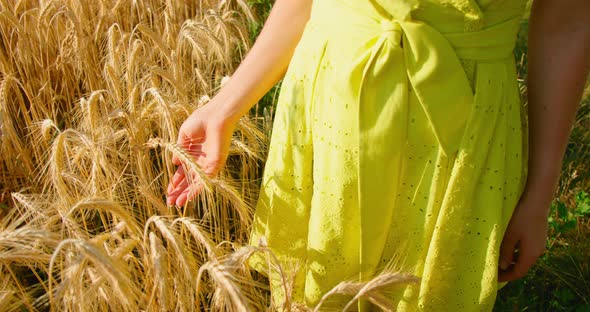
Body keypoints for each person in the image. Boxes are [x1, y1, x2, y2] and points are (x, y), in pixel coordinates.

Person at [166, 0, 590, 310]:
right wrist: (224, 108)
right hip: (328, 116)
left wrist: (541, 192)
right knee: (315, 295)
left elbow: (568, 20)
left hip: (462, 140)